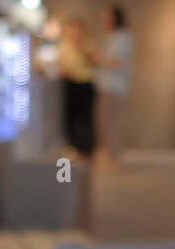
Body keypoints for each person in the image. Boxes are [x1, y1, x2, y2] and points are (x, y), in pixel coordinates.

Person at [92, 5, 133, 166]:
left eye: (107, 17)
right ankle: (111, 157)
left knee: (109, 123)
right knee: (105, 123)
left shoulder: (122, 38)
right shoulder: (113, 37)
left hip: (113, 87)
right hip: (107, 86)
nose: (104, 20)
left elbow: (117, 62)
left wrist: (98, 58)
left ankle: (114, 159)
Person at [57, 18, 96, 157]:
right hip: (70, 84)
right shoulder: (63, 46)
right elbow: (60, 65)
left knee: (86, 118)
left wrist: (81, 48)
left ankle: (87, 150)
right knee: (70, 117)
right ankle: (72, 147)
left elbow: (93, 61)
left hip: (85, 84)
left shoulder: (87, 45)